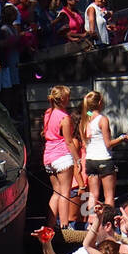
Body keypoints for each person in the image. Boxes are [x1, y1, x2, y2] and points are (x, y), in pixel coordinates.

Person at [80, 90, 128, 209]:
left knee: (93, 195)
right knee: (109, 196)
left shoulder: (85, 119)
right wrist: (122, 138)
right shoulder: (102, 119)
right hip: (103, 159)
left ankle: (92, 222)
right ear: (100, 102)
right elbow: (108, 144)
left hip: (90, 160)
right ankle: (109, 221)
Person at [43, 84, 82, 229]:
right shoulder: (65, 118)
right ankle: (65, 227)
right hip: (62, 156)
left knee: (56, 193)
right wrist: (78, 160)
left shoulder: (48, 113)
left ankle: (50, 225)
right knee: (65, 193)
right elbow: (69, 141)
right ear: (64, 99)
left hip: (48, 156)